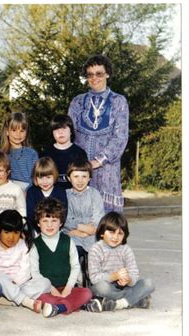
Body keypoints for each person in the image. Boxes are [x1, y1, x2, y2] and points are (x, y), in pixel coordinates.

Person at [68, 54, 129, 213]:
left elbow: (120, 137)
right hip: (80, 171)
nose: (94, 78)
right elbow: (69, 134)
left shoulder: (118, 101)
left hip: (107, 171)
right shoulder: (77, 102)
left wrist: (97, 161)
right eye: (90, 74)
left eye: (99, 74)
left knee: (107, 224)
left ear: (107, 74)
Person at [30, 198, 93, 318]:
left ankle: (61, 307)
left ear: (61, 223)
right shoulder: (35, 244)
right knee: (42, 298)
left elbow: (75, 266)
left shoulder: (67, 241)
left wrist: (68, 288)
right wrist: (51, 289)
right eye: (45, 220)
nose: (49, 225)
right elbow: (35, 273)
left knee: (87, 292)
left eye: (54, 220)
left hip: (67, 288)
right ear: (38, 223)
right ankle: (76, 305)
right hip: (48, 290)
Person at [0, 210, 51, 313]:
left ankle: (11, 301)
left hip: (19, 284)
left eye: (16, 232)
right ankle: (24, 300)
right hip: (0, 286)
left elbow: (25, 269)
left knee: (46, 283)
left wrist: (15, 282)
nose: (11, 237)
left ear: (21, 231)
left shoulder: (24, 245)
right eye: (6, 232)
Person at [87, 212, 155, 312]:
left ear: (125, 235)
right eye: (112, 232)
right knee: (101, 288)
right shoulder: (96, 250)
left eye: (120, 233)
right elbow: (94, 278)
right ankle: (135, 299)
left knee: (149, 283)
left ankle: (119, 303)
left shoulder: (126, 249)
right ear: (101, 233)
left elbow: (134, 273)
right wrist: (114, 276)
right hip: (107, 287)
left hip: (124, 287)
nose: (115, 237)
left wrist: (129, 280)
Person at [63, 160, 105, 256]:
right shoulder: (65, 195)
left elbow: (98, 218)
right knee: (73, 249)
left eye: (84, 176)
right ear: (69, 178)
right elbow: (65, 219)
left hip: (92, 235)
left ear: (89, 178)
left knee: (99, 250)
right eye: (76, 176)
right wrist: (81, 228)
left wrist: (86, 233)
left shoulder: (94, 194)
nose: (80, 180)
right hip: (72, 234)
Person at [41, 114, 88, 189]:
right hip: (53, 196)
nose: (60, 132)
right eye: (56, 129)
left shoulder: (80, 153)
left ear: (71, 131)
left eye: (64, 128)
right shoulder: (46, 154)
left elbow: (85, 179)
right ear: (52, 133)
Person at [26, 157, 67, 231]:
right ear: (35, 178)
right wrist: (39, 230)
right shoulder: (32, 192)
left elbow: (64, 213)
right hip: (36, 229)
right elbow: (30, 215)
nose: (45, 182)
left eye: (48, 177)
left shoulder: (60, 191)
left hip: (57, 229)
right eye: (41, 178)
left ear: (54, 176)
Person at [1, 112, 39, 192]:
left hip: (28, 193)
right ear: (7, 132)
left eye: (22, 131)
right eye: (14, 130)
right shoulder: (0, 155)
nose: (18, 134)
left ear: (26, 132)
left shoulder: (32, 154)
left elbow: (35, 178)